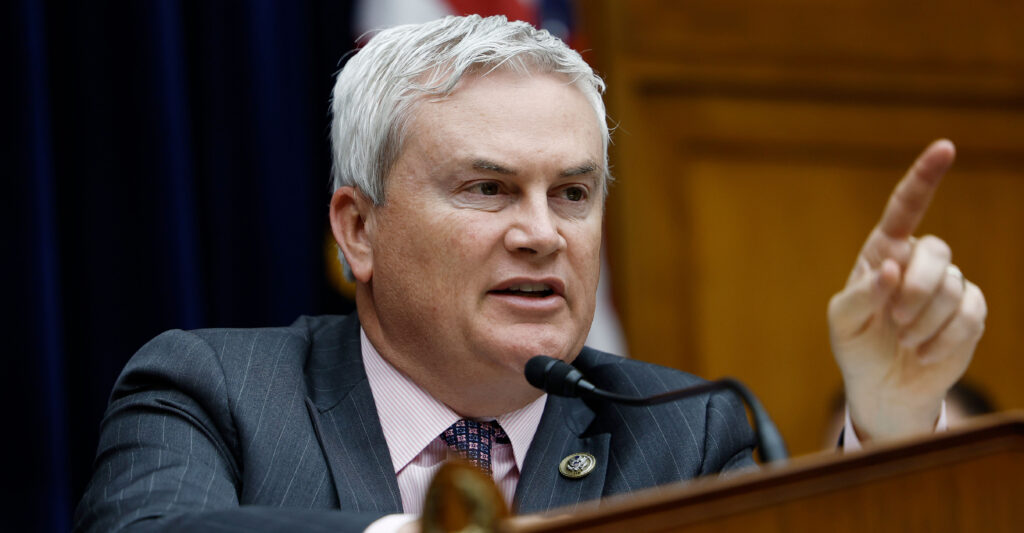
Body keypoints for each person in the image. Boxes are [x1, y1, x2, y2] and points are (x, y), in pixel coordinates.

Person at [73, 14, 987, 533]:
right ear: (358, 229)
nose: (543, 234)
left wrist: (890, 424)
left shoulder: (690, 433)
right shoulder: (214, 392)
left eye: (574, 194)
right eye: (488, 188)